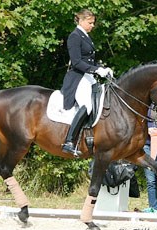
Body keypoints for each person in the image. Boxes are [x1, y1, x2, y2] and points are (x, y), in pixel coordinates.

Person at [61, 9, 113, 156]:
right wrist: (96, 70)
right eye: (90, 22)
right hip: (77, 78)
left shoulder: (86, 36)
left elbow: (90, 60)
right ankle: (69, 141)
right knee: (88, 105)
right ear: (81, 21)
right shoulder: (74, 36)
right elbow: (77, 62)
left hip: (88, 77)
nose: (92, 26)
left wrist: (102, 68)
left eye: (93, 23)